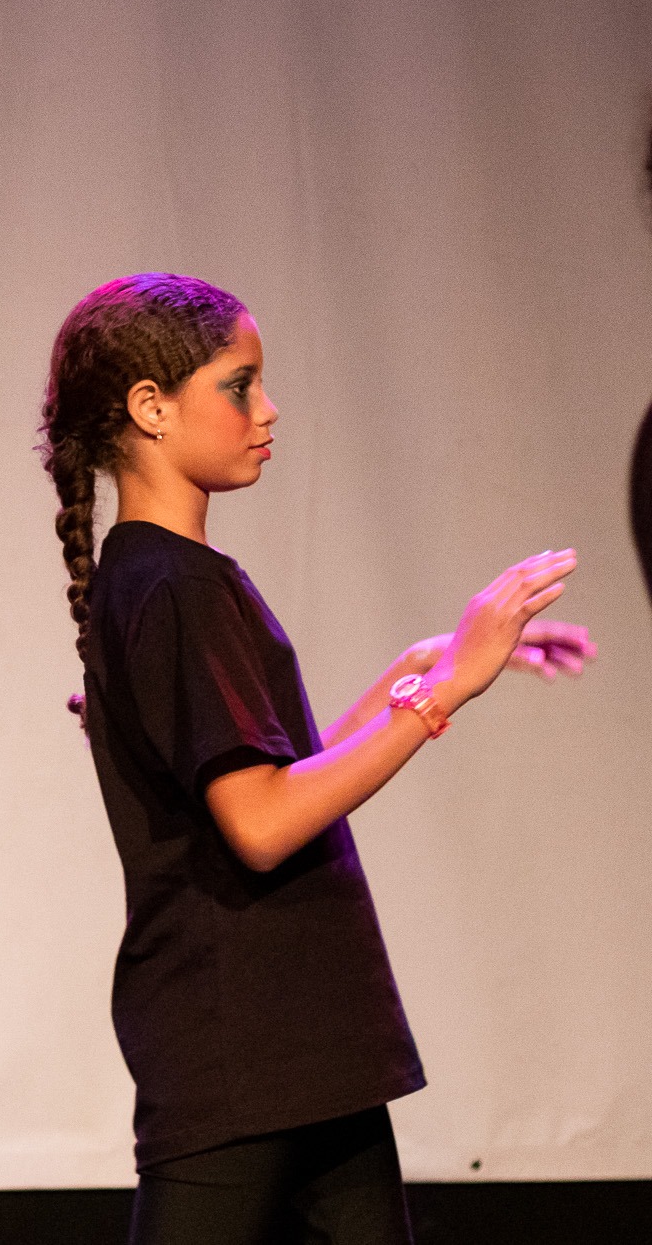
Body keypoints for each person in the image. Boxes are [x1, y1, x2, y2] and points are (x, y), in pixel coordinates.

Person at [36, 274, 592, 1244]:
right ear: (150, 408)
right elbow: (260, 823)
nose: (267, 409)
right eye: (238, 385)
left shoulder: (168, 576)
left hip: (297, 1041)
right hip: (243, 1047)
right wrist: (443, 693)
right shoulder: (171, 583)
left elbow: (283, 776)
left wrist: (424, 667)